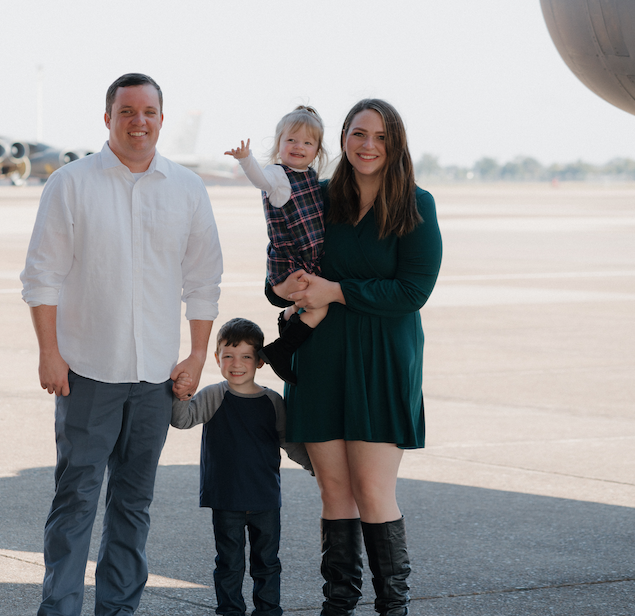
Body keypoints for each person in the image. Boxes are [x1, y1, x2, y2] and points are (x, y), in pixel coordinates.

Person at [20, 72, 223, 616]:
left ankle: (119, 610)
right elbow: (42, 276)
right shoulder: (71, 183)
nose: (139, 122)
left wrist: (197, 354)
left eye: (149, 112)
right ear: (107, 118)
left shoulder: (187, 188)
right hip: (86, 371)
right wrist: (48, 351)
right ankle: (59, 609)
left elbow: (203, 282)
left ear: (162, 117)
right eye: (127, 111)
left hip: (156, 377)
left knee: (134, 506)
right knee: (76, 503)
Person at [280, 99, 443, 616]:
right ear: (343, 140)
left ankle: (392, 607)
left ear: (394, 144)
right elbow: (281, 266)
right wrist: (282, 287)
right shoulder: (316, 196)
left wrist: (336, 291)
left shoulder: (416, 204)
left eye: (379, 135)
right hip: (322, 358)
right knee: (334, 491)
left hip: (381, 360)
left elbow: (412, 291)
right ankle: (339, 604)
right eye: (357, 133)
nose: (367, 145)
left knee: (372, 490)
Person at [170, 318, 312, 616]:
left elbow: (290, 444)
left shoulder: (272, 401)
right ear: (216, 358)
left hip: (265, 500)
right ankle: (230, 610)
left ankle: (269, 610)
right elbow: (182, 420)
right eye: (228, 356)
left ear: (259, 360)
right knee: (229, 564)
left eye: (246, 356)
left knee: (267, 563)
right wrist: (181, 394)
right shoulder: (213, 394)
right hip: (226, 499)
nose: (237, 364)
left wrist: (318, 468)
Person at [225, 106, 330, 385]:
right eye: (291, 140)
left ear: (317, 150)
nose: (299, 147)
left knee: (310, 303)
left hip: (306, 258)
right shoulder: (278, 176)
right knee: (320, 308)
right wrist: (247, 160)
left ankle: (288, 317)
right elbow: (260, 179)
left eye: (308, 142)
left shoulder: (308, 176)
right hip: (291, 259)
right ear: (279, 144)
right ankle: (280, 350)